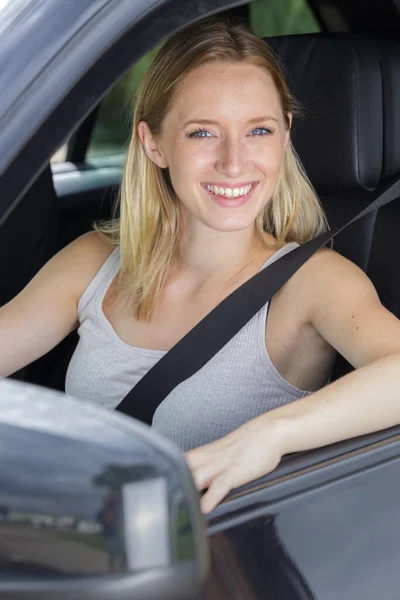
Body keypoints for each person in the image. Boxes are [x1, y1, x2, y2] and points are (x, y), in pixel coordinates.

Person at [1, 18, 400, 514]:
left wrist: (269, 437)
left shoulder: (312, 283)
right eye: (202, 133)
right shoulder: (96, 260)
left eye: (259, 130)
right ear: (154, 144)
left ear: (285, 135)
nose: (234, 162)